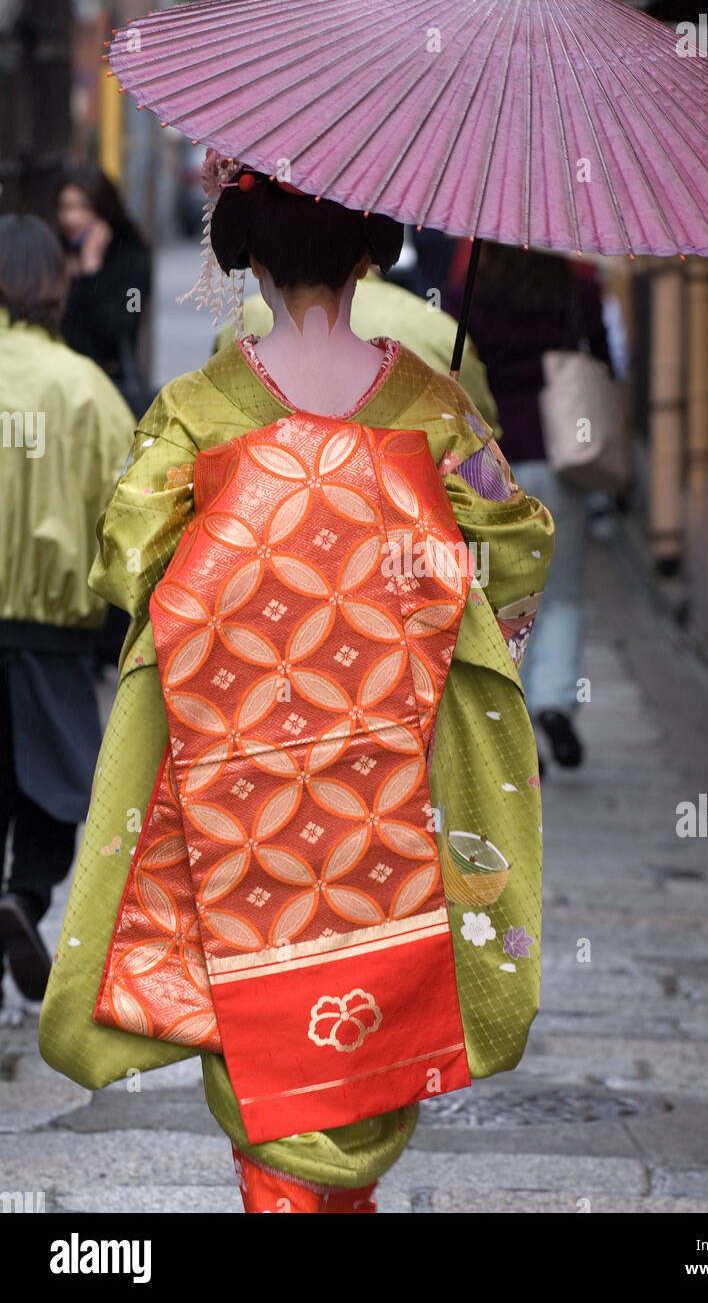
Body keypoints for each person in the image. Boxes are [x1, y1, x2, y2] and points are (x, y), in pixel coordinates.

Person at [39, 159, 554, 1214]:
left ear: (246, 253)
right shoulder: (433, 402)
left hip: (240, 777)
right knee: (382, 987)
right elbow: (515, 546)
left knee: (251, 1007)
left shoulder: (199, 408)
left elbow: (126, 558)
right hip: (388, 774)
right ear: (374, 248)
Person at [0, 215, 134, 1004]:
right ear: (54, 283)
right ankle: (23, 897)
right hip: (54, 625)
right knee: (53, 780)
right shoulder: (89, 390)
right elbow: (127, 514)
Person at [451, 241, 613, 774]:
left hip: (490, 462)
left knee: (501, 597)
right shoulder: (577, 286)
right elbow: (603, 362)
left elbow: (456, 372)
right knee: (562, 593)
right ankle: (555, 702)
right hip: (560, 450)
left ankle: (514, 722)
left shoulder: (469, 288)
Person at [215, 266, 502, 437]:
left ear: (256, 263)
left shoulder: (241, 324)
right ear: (366, 259)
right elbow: (483, 430)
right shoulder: (439, 328)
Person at [56, 165, 152, 418]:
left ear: (103, 209)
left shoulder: (134, 260)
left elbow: (124, 325)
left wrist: (91, 271)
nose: (71, 218)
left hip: (108, 391)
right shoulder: (56, 254)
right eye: (65, 207)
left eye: (83, 207)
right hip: (58, 387)